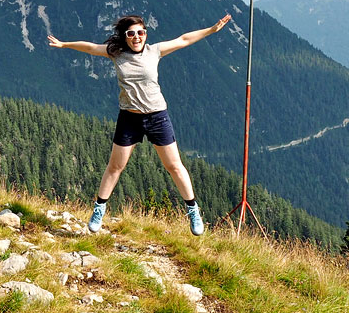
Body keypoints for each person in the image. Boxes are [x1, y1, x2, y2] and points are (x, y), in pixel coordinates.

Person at [47, 12, 232, 235]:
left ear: (146, 34)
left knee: (174, 166)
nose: (137, 37)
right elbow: (89, 47)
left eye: (141, 33)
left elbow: (184, 40)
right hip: (129, 117)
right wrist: (64, 44)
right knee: (115, 167)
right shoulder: (116, 53)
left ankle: (193, 212)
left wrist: (211, 30)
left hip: (157, 117)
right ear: (125, 36)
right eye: (132, 33)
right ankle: (99, 209)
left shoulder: (155, 51)